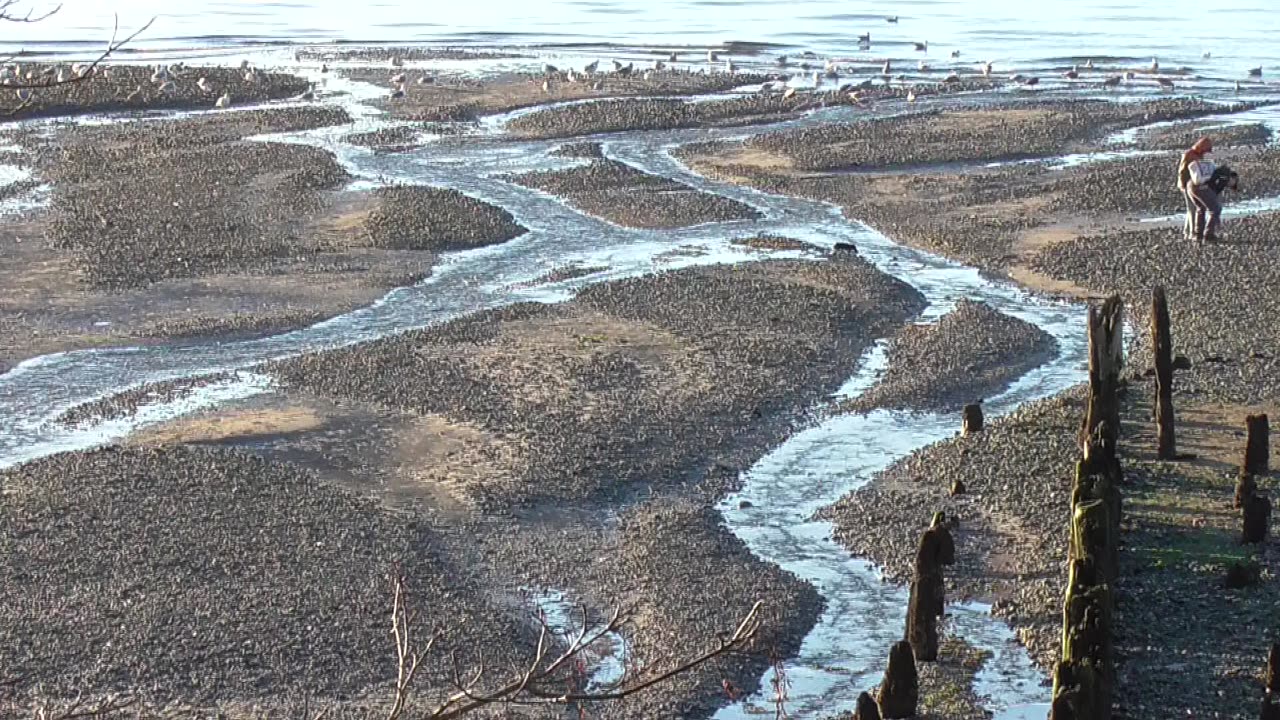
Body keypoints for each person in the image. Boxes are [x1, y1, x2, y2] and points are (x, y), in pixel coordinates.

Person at [1177, 137, 1221, 242]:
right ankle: (1191, 233)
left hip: (1194, 185)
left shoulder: (1199, 155)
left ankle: (1193, 233)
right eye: (1206, 150)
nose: (1206, 152)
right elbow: (1182, 172)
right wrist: (1183, 186)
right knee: (1192, 209)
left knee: (1198, 208)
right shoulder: (1188, 155)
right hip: (1188, 185)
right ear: (1201, 147)